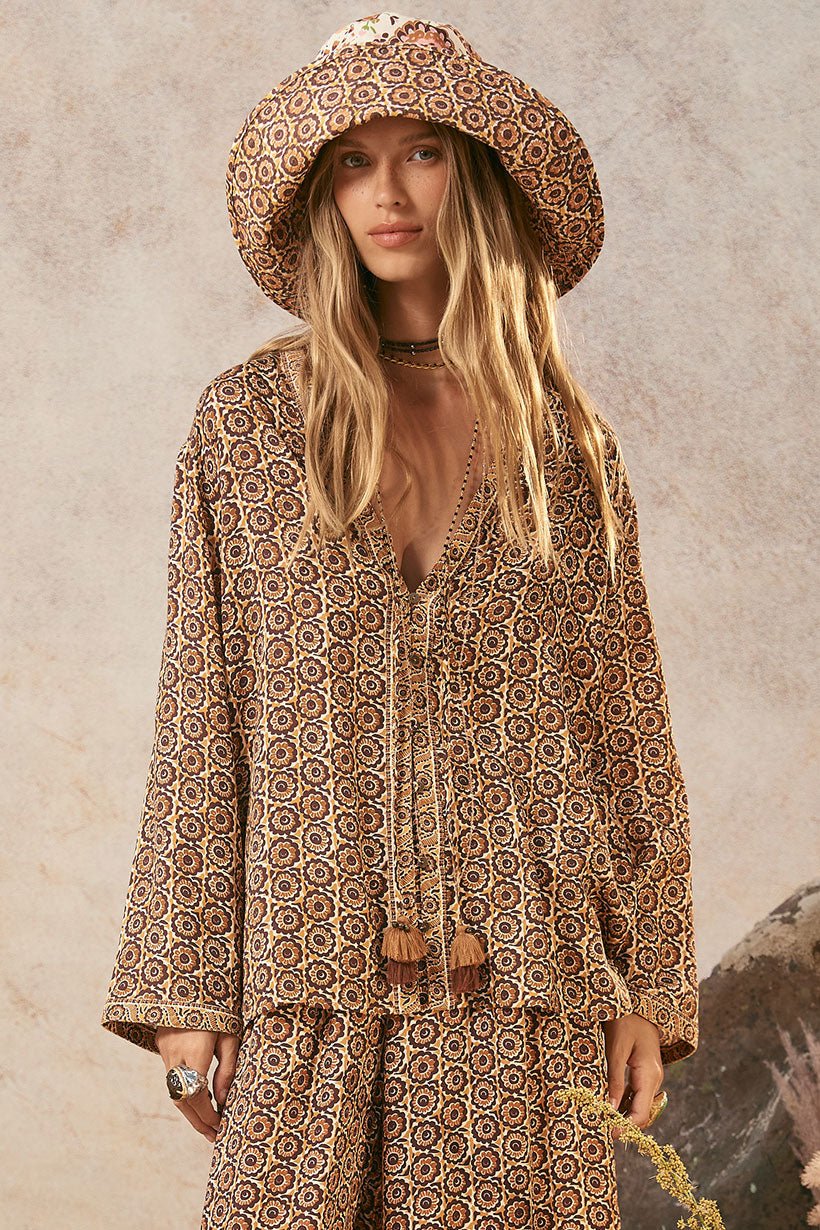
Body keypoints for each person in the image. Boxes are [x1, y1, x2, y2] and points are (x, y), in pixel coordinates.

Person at [100, 12, 700, 1229]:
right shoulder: (248, 426)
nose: (387, 193)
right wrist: (186, 989)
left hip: (528, 994)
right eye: (352, 163)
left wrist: (649, 982)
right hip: (307, 981)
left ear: (472, 176)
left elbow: (625, 730)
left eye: (422, 153)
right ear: (321, 196)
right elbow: (203, 714)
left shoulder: (566, 448)